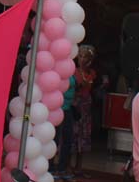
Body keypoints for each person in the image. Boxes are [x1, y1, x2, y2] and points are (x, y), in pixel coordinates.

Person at [71, 45, 97, 173]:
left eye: (85, 57)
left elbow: (90, 88)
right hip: (75, 106)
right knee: (72, 134)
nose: (82, 59)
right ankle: (66, 165)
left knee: (83, 135)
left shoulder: (92, 73)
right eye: (80, 56)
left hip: (86, 107)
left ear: (90, 59)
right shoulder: (73, 71)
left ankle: (79, 166)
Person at [53, 73, 77, 180]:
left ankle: (62, 168)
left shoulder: (71, 72)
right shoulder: (58, 71)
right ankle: (51, 168)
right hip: (57, 109)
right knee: (55, 139)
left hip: (67, 109)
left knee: (68, 139)